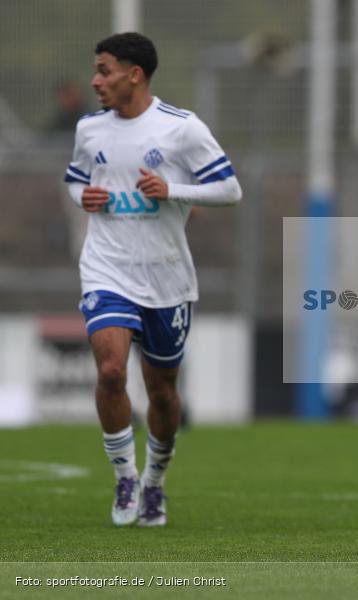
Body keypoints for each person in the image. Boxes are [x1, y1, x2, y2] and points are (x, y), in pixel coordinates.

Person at [64, 32, 242, 527]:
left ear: (134, 74)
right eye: (96, 70)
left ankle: (154, 481)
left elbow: (229, 189)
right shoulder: (90, 130)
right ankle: (124, 474)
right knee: (111, 372)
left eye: (104, 70)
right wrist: (86, 199)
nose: (96, 81)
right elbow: (77, 181)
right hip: (106, 268)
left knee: (162, 392)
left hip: (166, 277)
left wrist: (173, 190)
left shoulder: (181, 129)